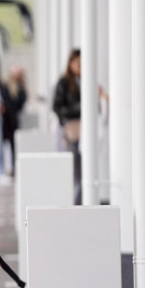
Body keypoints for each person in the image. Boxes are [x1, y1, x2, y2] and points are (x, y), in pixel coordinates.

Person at [52, 49, 82, 205]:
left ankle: (79, 201)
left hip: (83, 131)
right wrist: (79, 108)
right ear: (70, 63)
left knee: (82, 169)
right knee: (73, 168)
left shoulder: (85, 81)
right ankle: (72, 203)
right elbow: (57, 107)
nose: (80, 66)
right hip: (71, 131)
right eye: (77, 62)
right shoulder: (64, 82)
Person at [0, 65, 27, 175]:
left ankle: (11, 167)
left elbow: (21, 102)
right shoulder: (6, 86)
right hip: (7, 120)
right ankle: (7, 168)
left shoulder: (20, 86)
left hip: (12, 119)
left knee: (12, 145)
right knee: (5, 145)